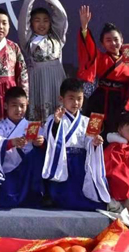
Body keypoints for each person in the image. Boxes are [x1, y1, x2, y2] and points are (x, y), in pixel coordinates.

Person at [77, 6, 129, 137]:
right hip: (99, 101)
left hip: (119, 102)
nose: (113, 43)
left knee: (116, 134)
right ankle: (92, 150)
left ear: (122, 40)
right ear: (102, 44)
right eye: (108, 40)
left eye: (116, 39)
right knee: (93, 133)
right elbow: (89, 49)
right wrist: (84, 27)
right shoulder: (100, 58)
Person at [42, 78, 110, 211]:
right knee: (64, 194)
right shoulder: (54, 118)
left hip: (80, 163)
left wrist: (94, 142)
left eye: (79, 98)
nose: (76, 103)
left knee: (84, 193)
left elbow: (89, 141)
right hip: (62, 161)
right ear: (61, 99)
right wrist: (56, 123)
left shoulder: (87, 121)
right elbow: (50, 139)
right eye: (71, 98)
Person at [17, 0, 68, 123]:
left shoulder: (57, 37)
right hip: (36, 82)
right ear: (31, 23)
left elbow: (62, 16)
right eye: (37, 20)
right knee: (38, 121)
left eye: (45, 20)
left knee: (58, 118)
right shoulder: (28, 40)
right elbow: (23, 19)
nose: (42, 24)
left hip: (57, 81)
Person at [0, 87, 46, 208]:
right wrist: (11, 142)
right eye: (14, 105)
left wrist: (39, 143)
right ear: (6, 106)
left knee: (37, 156)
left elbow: (44, 144)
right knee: (6, 199)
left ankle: (36, 193)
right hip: (8, 170)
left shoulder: (32, 126)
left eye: (22, 106)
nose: (19, 110)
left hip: (28, 169)